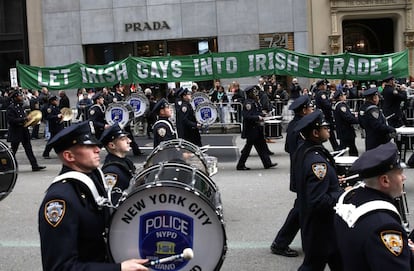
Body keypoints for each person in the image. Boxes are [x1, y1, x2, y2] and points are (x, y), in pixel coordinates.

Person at [38, 121, 148, 271]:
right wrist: (119, 268)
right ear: (69, 156)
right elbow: (59, 267)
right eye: (89, 146)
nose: (97, 149)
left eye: (95, 144)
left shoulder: (94, 178)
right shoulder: (60, 199)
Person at [334, 142, 412, 270]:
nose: (403, 178)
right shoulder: (385, 227)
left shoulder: (350, 197)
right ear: (385, 180)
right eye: (399, 173)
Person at [293, 110, 343, 270]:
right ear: (315, 132)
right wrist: (342, 193)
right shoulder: (317, 162)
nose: (328, 129)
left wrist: (334, 180)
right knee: (313, 265)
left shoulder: (304, 149)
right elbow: (318, 201)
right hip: (321, 227)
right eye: (324, 127)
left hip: (318, 224)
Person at [270, 95, 314, 257]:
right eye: (310, 108)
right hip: (304, 173)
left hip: (299, 172)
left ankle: (285, 243)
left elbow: (289, 148)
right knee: (300, 209)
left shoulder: (293, 125)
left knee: (302, 208)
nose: (311, 110)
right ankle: (280, 243)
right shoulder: (302, 128)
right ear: (304, 110)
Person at [236, 85, 277, 170]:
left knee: (261, 146)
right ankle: (240, 165)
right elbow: (247, 116)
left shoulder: (254, 102)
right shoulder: (248, 103)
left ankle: (267, 163)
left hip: (257, 128)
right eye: (253, 92)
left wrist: (263, 115)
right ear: (249, 93)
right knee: (248, 148)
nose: (255, 93)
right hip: (252, 129)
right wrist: (258, 117)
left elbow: (256, 112)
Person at [6, 90, 46, 171]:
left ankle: (34, 165)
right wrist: (24, 119)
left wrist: (30, 120)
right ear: (15, 97)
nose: (21, 97)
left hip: (23, 131)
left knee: (28, 149)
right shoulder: (11, 108)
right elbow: (11, 120)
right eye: (19, 96)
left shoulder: (20, 106)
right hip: (16, 131)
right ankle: (8, 166)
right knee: (13, 150)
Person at [100, 123, 135, 205]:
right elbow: (113, 203)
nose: (129, 141)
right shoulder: (111, 172)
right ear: (112, 145)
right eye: (123, 139)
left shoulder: (126, 161)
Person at [314, 79, 340, 151]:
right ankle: (335, 148)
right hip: (326, 116)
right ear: (321, 86)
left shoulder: (319, 93)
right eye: (324, 85)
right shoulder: (322, 93)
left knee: (329, 133)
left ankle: (336, 147)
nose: (325, 86)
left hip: (324, 116)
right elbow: (326, 105)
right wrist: (330, 102)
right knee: (327, 132)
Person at [333, 89, 359, 156]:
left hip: (344, 131)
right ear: (340, 97)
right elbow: (348, 118)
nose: (345, 96)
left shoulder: (339, 105)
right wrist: (358, 120)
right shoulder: (341, 106)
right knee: (351, 149)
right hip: (346, 131)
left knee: (345, 148)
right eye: (344, 95)